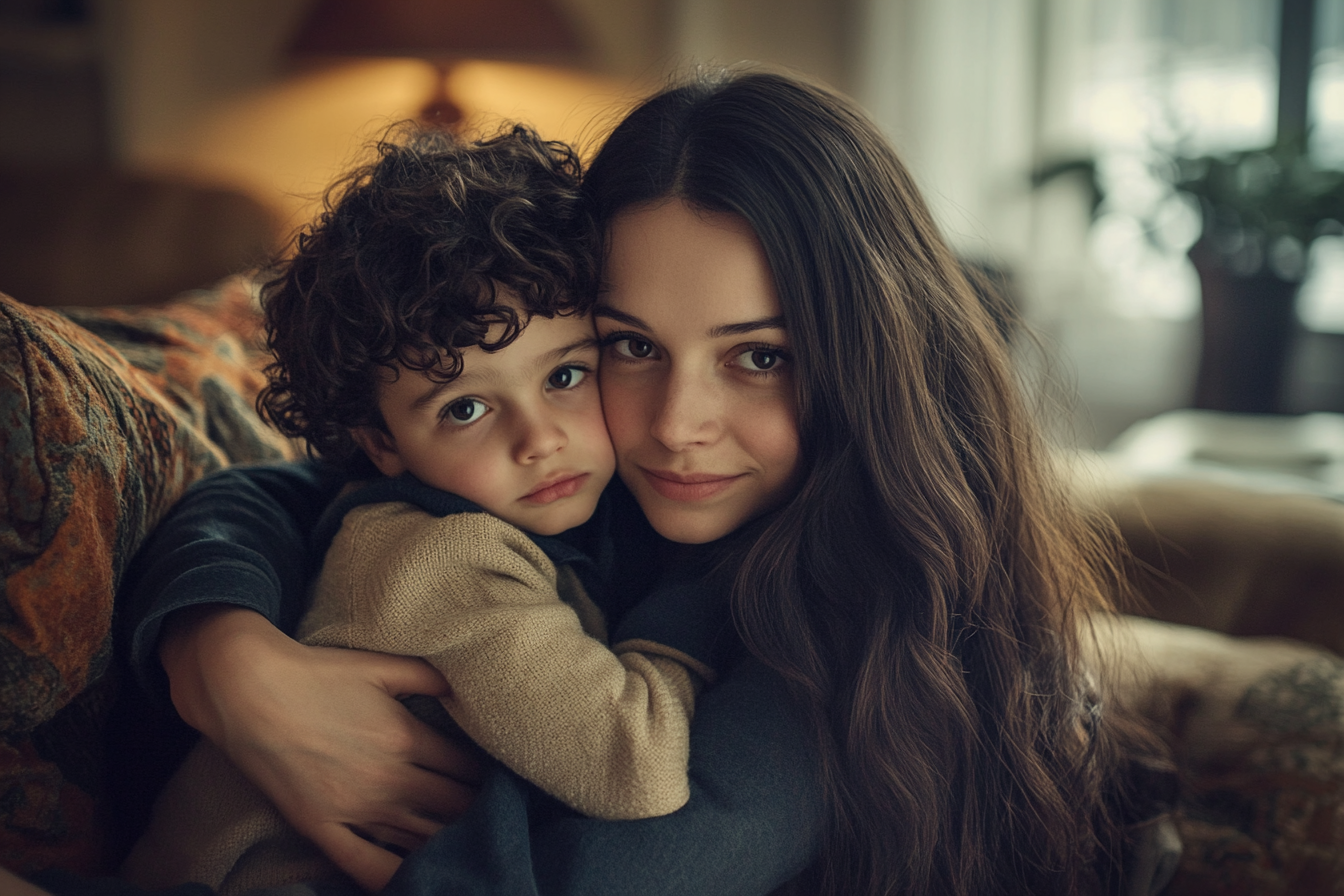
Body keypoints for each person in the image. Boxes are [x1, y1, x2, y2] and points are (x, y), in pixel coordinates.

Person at [43, 67, 1166, 896]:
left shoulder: (841, 624)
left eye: (759, 356)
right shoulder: (567, 476)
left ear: (867, 359)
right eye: (629, 345)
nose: (675, 426)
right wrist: (223, 652)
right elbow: (277, 491)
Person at [118, 126, 722, 895]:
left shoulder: (525, 509)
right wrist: (708, 594)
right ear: (380, 443)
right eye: (467, 408)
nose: (539, 440)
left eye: (566, 375)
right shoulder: (442, 558)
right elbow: (633, 767)